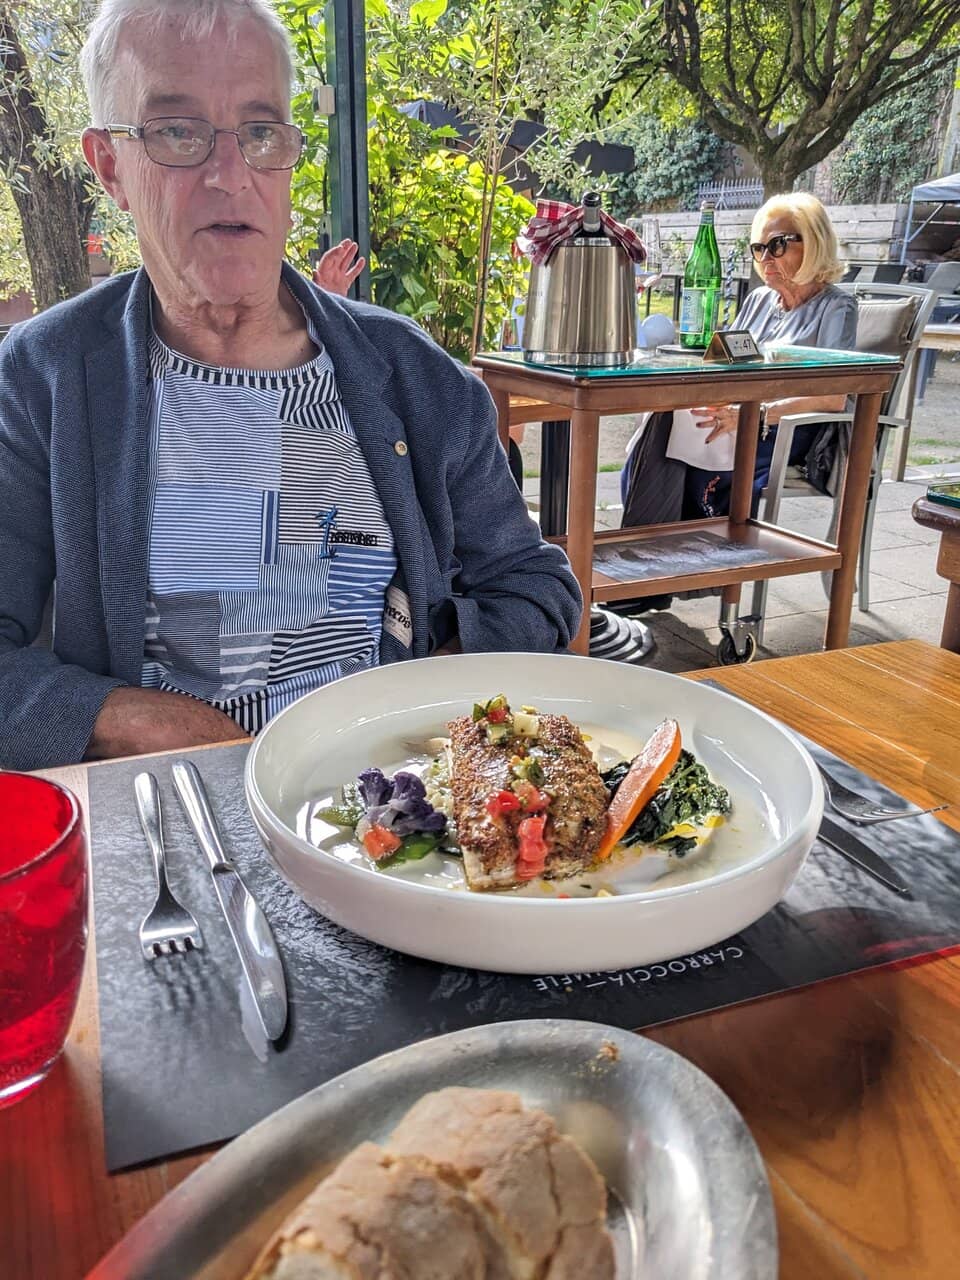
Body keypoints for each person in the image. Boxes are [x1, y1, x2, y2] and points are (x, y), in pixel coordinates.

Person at [0, 0, 580, 772]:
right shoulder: (41, 377)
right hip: (171, 806)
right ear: (109, 165)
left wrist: (421, 705)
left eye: (260, 131)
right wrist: (147, 725)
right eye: (178, 132)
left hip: (389, 803)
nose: (229, 175)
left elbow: (534, 584)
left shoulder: (417, 378)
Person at [621, 192, 857, 529]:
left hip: (786, 427)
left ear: (814, 242)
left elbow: (835, 397)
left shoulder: (836, 307)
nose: (766, 257)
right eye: (759, 248)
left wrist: (753, 414)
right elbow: (724, 363)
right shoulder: (759, 299)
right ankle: (657, 536)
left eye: (777, 244)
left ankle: (680, 536)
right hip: (741, 414)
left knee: (684, 429)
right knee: (668, 415)